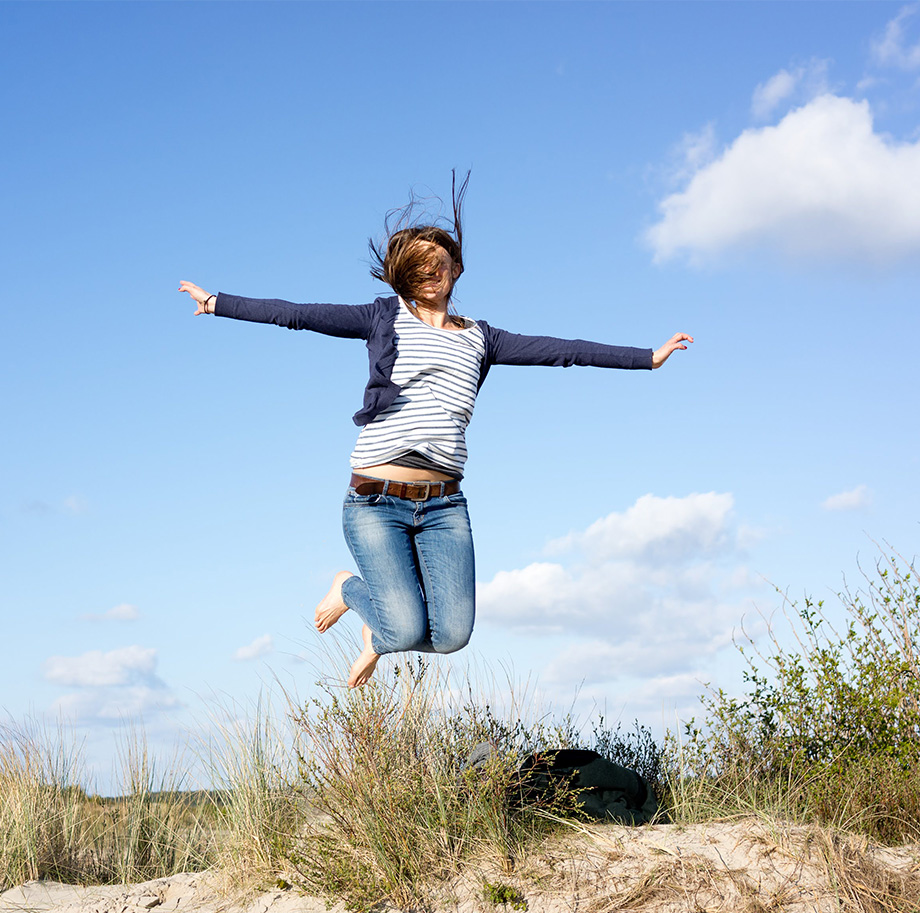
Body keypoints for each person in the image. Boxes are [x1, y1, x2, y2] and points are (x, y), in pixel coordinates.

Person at [179, 176, 691, 688]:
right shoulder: (383, 318)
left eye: (438, 262)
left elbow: (565, 351)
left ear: (456, 268)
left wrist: (647, 358)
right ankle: (351, 590)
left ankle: (377, 630)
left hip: (445, 504)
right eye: (417, 264)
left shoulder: (483, 338)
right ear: (403, 274)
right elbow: (297, 315)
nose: (429, 271)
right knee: (404, 630)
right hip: (376, 500)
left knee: (450, 637)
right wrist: (218, 303)